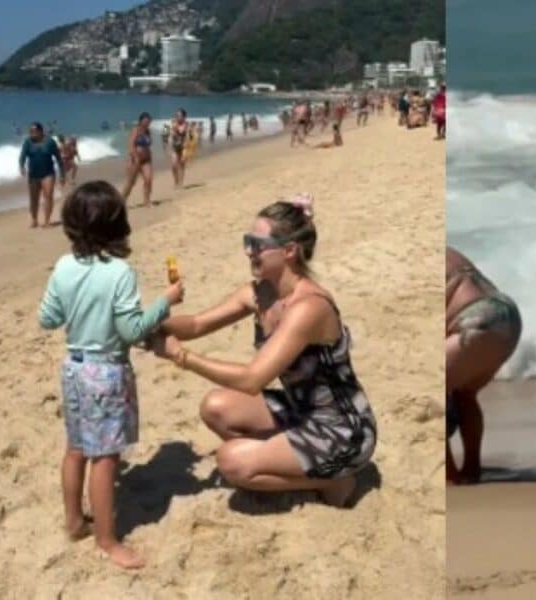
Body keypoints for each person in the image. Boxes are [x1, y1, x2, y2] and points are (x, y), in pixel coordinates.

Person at [151, 194, 377, 504]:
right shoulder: (259, 293)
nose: (248, 251)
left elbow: (252, 379)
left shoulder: (309, 307)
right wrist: (148, 325)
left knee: (231, 462)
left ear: (288, 251)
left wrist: (181, 356)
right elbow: (197, 325)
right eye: (247, 241)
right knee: (215, 407)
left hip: (342, 430)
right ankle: (292, 462)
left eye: (256, 244)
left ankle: (333, 480)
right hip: (300, 409)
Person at [38, 180, 185, 569]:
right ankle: (106, 539)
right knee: (105, 457)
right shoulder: (120, 272)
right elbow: (132, 331)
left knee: (76, 448)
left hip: (74, 367)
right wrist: (165, 303)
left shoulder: (64, 266)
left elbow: (47, 318)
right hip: (106, 372)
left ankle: (74, 521)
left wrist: (75, 303)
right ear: (118, 224)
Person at [446, 247, 522, 484]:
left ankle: (449, 475)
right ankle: (471, 468)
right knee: (464, 393)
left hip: (474, 318)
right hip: (507, 314)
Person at [19, 122, 65, 228]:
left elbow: (59, 159)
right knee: (34, 198)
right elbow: (22, 156)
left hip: (48, 174)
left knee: (48, 196)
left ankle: (47, 221)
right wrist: (21, 166)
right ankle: (34, 220)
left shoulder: (50, 142)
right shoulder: (27, 142)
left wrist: (62, 175)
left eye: (34, 131)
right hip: (33, 175)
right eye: (30, 131)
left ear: (41, 131)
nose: (32, 133)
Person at [121, 112, 155, 207]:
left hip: (146, 160)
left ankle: (147, 201)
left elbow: (148, 146)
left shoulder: (148, 131)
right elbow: (131, 145)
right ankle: (122, 201)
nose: (147, 123)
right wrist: (135, 157)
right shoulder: (135, 130)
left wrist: (149, 157)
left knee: (148, 180)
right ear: (140, 121)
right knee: (131, 182)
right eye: (145, 121)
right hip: (135, 160)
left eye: (148, 121)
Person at [170, 109, 189, 189]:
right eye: (176, 115)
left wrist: (186, 144)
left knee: (182, 164)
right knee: (173, 165)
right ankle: (176, 181)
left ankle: (181, 183)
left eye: (179, 115)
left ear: (184, 117)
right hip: (175, 146)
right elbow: (171, 135)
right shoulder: (173, 124)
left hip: (183, 147)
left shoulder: (186, 124)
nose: (177, 117)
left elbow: (186, 134)